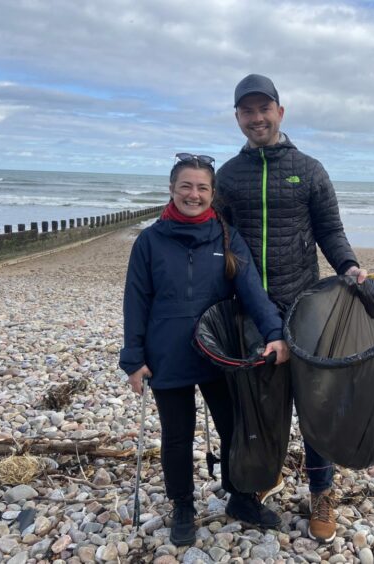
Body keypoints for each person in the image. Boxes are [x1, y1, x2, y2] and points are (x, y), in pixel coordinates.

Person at [216, 74, 367, 543]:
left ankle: (321, 492)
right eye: (247, 111)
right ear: (237, 117)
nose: (257, 118)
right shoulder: (227, 176)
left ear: (281, 112)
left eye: (265, 109)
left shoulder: (310, 169)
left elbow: (330, 230)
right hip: (250, 308)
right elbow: (214, 240)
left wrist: (349, 265)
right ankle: (262, 480)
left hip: (304, 304)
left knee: (314, 403)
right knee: (260, 404)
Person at [120, 153, 289, 547]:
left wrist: (274, 333)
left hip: (218, 355)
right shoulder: (150, 241)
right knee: (176, 436)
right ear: (171, 189)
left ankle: (241, 497)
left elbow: (252, 291)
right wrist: (133, 359)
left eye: (202, 188)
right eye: (186, 186)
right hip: (166, 355)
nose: (193, 194)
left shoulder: (226, 237)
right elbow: (136, 301)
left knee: (234, 429)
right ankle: (182, 505)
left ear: (212, 194)